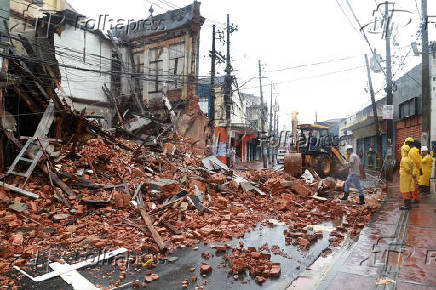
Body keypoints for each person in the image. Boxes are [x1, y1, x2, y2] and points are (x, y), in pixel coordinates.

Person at [399, 144, 414, 210]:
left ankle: (407, 206)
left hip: (405, 177)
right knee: (407, 190)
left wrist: (409, 172)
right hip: (407, 177)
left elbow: (407, 169)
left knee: (405, 191)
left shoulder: (404, 159)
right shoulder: (409, 159)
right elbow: (412, 166)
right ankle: (407, 204)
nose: (401, 151)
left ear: (404, 151)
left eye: (402, 150)